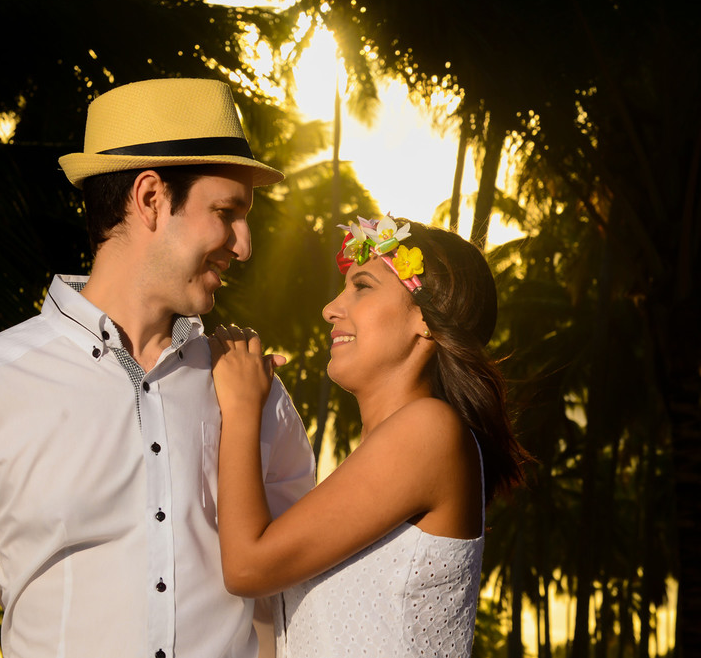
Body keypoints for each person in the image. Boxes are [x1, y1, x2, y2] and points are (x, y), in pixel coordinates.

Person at [0, 78, 315, 657]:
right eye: (227, 212)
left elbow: (297, 605)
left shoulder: (254, 389)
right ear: (150, 198)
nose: (244, 246)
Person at [209, 214, 528, 657]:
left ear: (426, 321)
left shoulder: (430, 430)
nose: (330, 309)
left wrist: (242, 406)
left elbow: (247, 566)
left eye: (362, 287)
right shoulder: (398, 452)